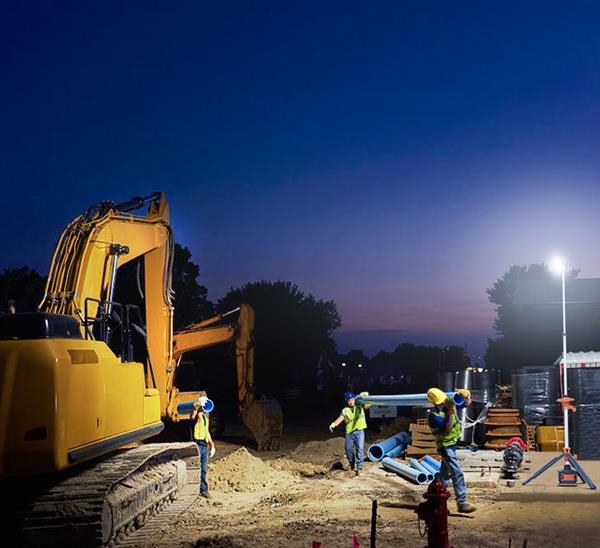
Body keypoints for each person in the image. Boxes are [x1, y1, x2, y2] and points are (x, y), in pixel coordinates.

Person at [427, 387, 476, 513]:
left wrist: (466, 395)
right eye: (441, 402)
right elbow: (447, 429)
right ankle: (462, 503)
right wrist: (449, 414)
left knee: (444, 476)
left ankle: (436, 503)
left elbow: (466, 404)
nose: (444, 403)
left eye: (443, 400)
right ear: (434, 403)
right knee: (457, 473)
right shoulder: (433, 416)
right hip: (445, 447)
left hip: (452, 445)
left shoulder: (447, 406)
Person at [329, 391, 371, 475]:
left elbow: (368, 405)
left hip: (359, 431)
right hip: (350, 433)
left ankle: (359, 466)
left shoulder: (360, 406)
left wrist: (366, 396)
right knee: (348, 449)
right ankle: (352, 464)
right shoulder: (345, 410)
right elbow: (340, 419)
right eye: (348, 401)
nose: (350, 402)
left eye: (351, 399)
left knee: (360, 448)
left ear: (354, 399)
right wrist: (333, 424)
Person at [190, 395, 216, 499]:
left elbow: (207, 432)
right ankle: (194, 490)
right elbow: (192, 417)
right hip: (197, 444)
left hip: (204, 446)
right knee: (196, 468)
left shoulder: (205, 418)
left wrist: (212, 444)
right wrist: (196, 407)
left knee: (204, 469)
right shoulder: (196, 416)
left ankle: (203, 490)